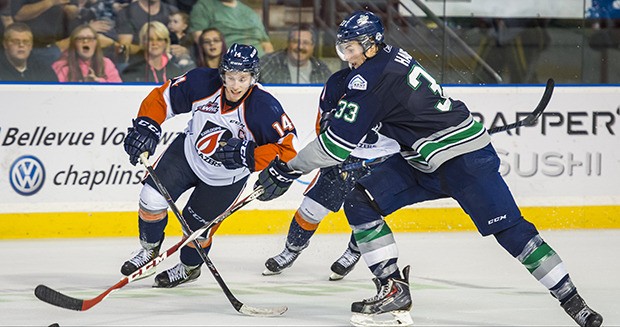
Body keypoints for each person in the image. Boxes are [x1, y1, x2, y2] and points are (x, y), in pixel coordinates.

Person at [254, 10, 603, 327]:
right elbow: (395, 123)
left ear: (372, 45)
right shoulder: (388, 60)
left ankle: (573, 300)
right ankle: (392, 288)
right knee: (360, 198)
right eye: (343, 48)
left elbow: (333, 146)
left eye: (352, 48)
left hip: (466, 162)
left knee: (513, 233)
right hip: (422, 161)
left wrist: (288, 168)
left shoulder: (370, 80)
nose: (347, 56)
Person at [120, 43, 298, 289]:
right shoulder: (202, 82)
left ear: (253, 77)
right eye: (230, 77)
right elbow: (163, 98)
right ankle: (149, 251)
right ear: (222, 73)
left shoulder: (264, 107)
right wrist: (147, 125)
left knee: (197, 232)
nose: (235, 85)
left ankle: (189, 268)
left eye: (242, 78)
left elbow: (287, 147)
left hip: (224, 179)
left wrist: (249, 156)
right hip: (186, 155)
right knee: (150, 199)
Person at [262, 67, 400, 280]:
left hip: (383, 159)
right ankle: (290, 250)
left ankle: (353, 252)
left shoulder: (393, 80)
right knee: (311, 209)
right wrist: (333, 150)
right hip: (343, 155)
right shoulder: (339, 81)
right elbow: (323, 122)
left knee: (367, 211)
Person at [189, 0, 273, 57]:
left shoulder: (250, 12)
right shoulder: (204, 7)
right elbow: (200, 40)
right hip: (228, 66)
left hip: (259, 65)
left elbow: (266, 44)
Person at [260, 24, 332, 85]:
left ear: (312, 46)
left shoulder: (322, 70)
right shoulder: (268, 64)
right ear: (288, 43)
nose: (300, 47)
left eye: (305, 43)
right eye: (296, 41)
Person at [121, 21, 190, 82]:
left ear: (166, 42)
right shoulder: (132, 71)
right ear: (143, 42)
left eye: (159, 39)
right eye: (150, 39)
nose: (154, 43)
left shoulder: (176, 72)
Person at [52, 24, 122, 82]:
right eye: (80, 39)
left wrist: (99, 81)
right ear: (74, 44)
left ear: (96, 43)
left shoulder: (106, 63)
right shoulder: (61, 66)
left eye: (90, 38)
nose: (85, 41)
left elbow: (118, 90)